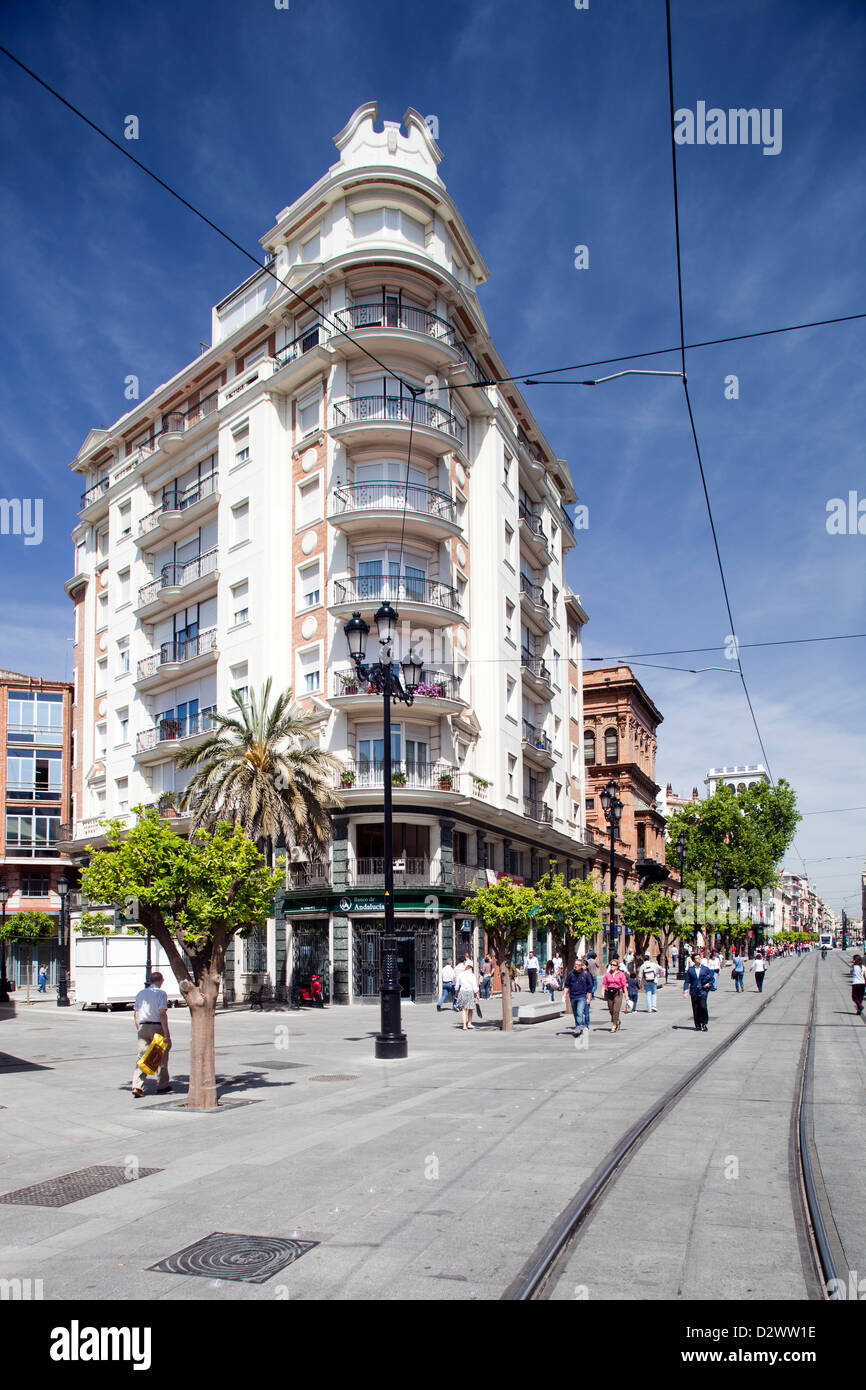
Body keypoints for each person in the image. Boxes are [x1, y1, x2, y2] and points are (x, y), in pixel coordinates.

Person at [131, 971, 172, 1097]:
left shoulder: (141, 993)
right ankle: (162, 1084)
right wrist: (166, 1033)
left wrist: (139, 1028)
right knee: (161, 1055)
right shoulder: (161, 994)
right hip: (156, 1026)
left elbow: (136, 1013)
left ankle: (137, 1085)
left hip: (143, 1027)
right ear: (160, 981)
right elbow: (162, 1013)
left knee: (143, 1056)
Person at [683, 951, 715, 1032]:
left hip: (703, 991)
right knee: (696, 1008)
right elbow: (687, 981)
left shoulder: (705, 969)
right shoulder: (690, 970)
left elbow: (712, 978)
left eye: (699, 957)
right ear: (693, 960)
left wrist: (708, 984)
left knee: (703, 1006)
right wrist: (685, 991)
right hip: (694, 991)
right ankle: (697, 1025)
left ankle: (704, 1023)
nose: (699, 959)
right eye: (697, 958)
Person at [564, 957, 593, 1036]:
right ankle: (578, 1026)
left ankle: (580, 1026)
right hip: (573, 996)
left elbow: (589, 988)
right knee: (575, 1013)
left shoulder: (585, 974)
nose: (576, 966)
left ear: (581, 966)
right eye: (575, 964)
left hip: (582, 996)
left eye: (578, 965)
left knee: (579, 1012)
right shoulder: (570, 974)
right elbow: (567, 985)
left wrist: (589, 998)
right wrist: (564, 995)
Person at [602, 956, 628, 1033]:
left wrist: (627, 996)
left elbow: (624, 986)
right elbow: (604, 984)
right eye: (611, 965)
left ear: (617, 967)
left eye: (614, 965)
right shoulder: (607, 974)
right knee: (611, 1010)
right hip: (609, 993)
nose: (612, 966)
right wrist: (603, 991)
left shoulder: (621, 974)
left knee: (616, 1010)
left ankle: (614, 1025)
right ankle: (617, 1021)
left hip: (618, 993)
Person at [455, 961, 479, 1029]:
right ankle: (469, 1023)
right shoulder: (472, 975)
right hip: (470, 991)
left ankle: (464, 1026)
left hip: (462, 991)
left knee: (464, 1009)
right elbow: (475, 987)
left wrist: (456, 994)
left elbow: (457, 986)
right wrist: (477, 995)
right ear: (471, 967)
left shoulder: (460, 974)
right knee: (470, 1008)